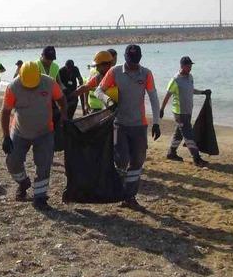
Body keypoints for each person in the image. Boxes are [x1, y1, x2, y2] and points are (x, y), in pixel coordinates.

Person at [96, 45, 161, 211]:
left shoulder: (146, 73)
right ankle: (119, 191)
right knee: (121, 159)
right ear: (125, 58)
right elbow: (99, 90)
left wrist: (156, 123)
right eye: (131, 61)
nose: (133, 65)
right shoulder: (115, 72)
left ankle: (130, 196)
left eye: (136, 61)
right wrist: (107, 101)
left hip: (139, 125)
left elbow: (153, 97)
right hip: (120, 123)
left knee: (137, 162)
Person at [1, 61, 67, 211]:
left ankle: (40, 197)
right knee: (12, 161)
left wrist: (64, 117)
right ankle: (23, 183)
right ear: (20, 76)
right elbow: (5, 112)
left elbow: (62, 99)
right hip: (19, 132)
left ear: (39, 75)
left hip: (44, 132)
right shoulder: (13, 87)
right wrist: (6, 136)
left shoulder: (49, 83)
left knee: (44, 165)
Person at [161, 56, 211, 168]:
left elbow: (191, 90)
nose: (190, 68)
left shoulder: (190, 77)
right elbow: (167, 95)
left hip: (188, 111)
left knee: (179, 133)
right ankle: (196, 158)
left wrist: (203, 92)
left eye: (191, 66)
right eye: (188, 66)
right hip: (179, 113)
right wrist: (162, 109)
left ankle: (171, 153)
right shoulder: (175, 80)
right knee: (188, 135)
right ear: (182, 66)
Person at [75, 49, 117, 115]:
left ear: (106, 65)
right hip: (106, 110)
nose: (96, 69)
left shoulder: (118, 75)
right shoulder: (98, 77)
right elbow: (86, 87)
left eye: (98, 66)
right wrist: (70, 96)